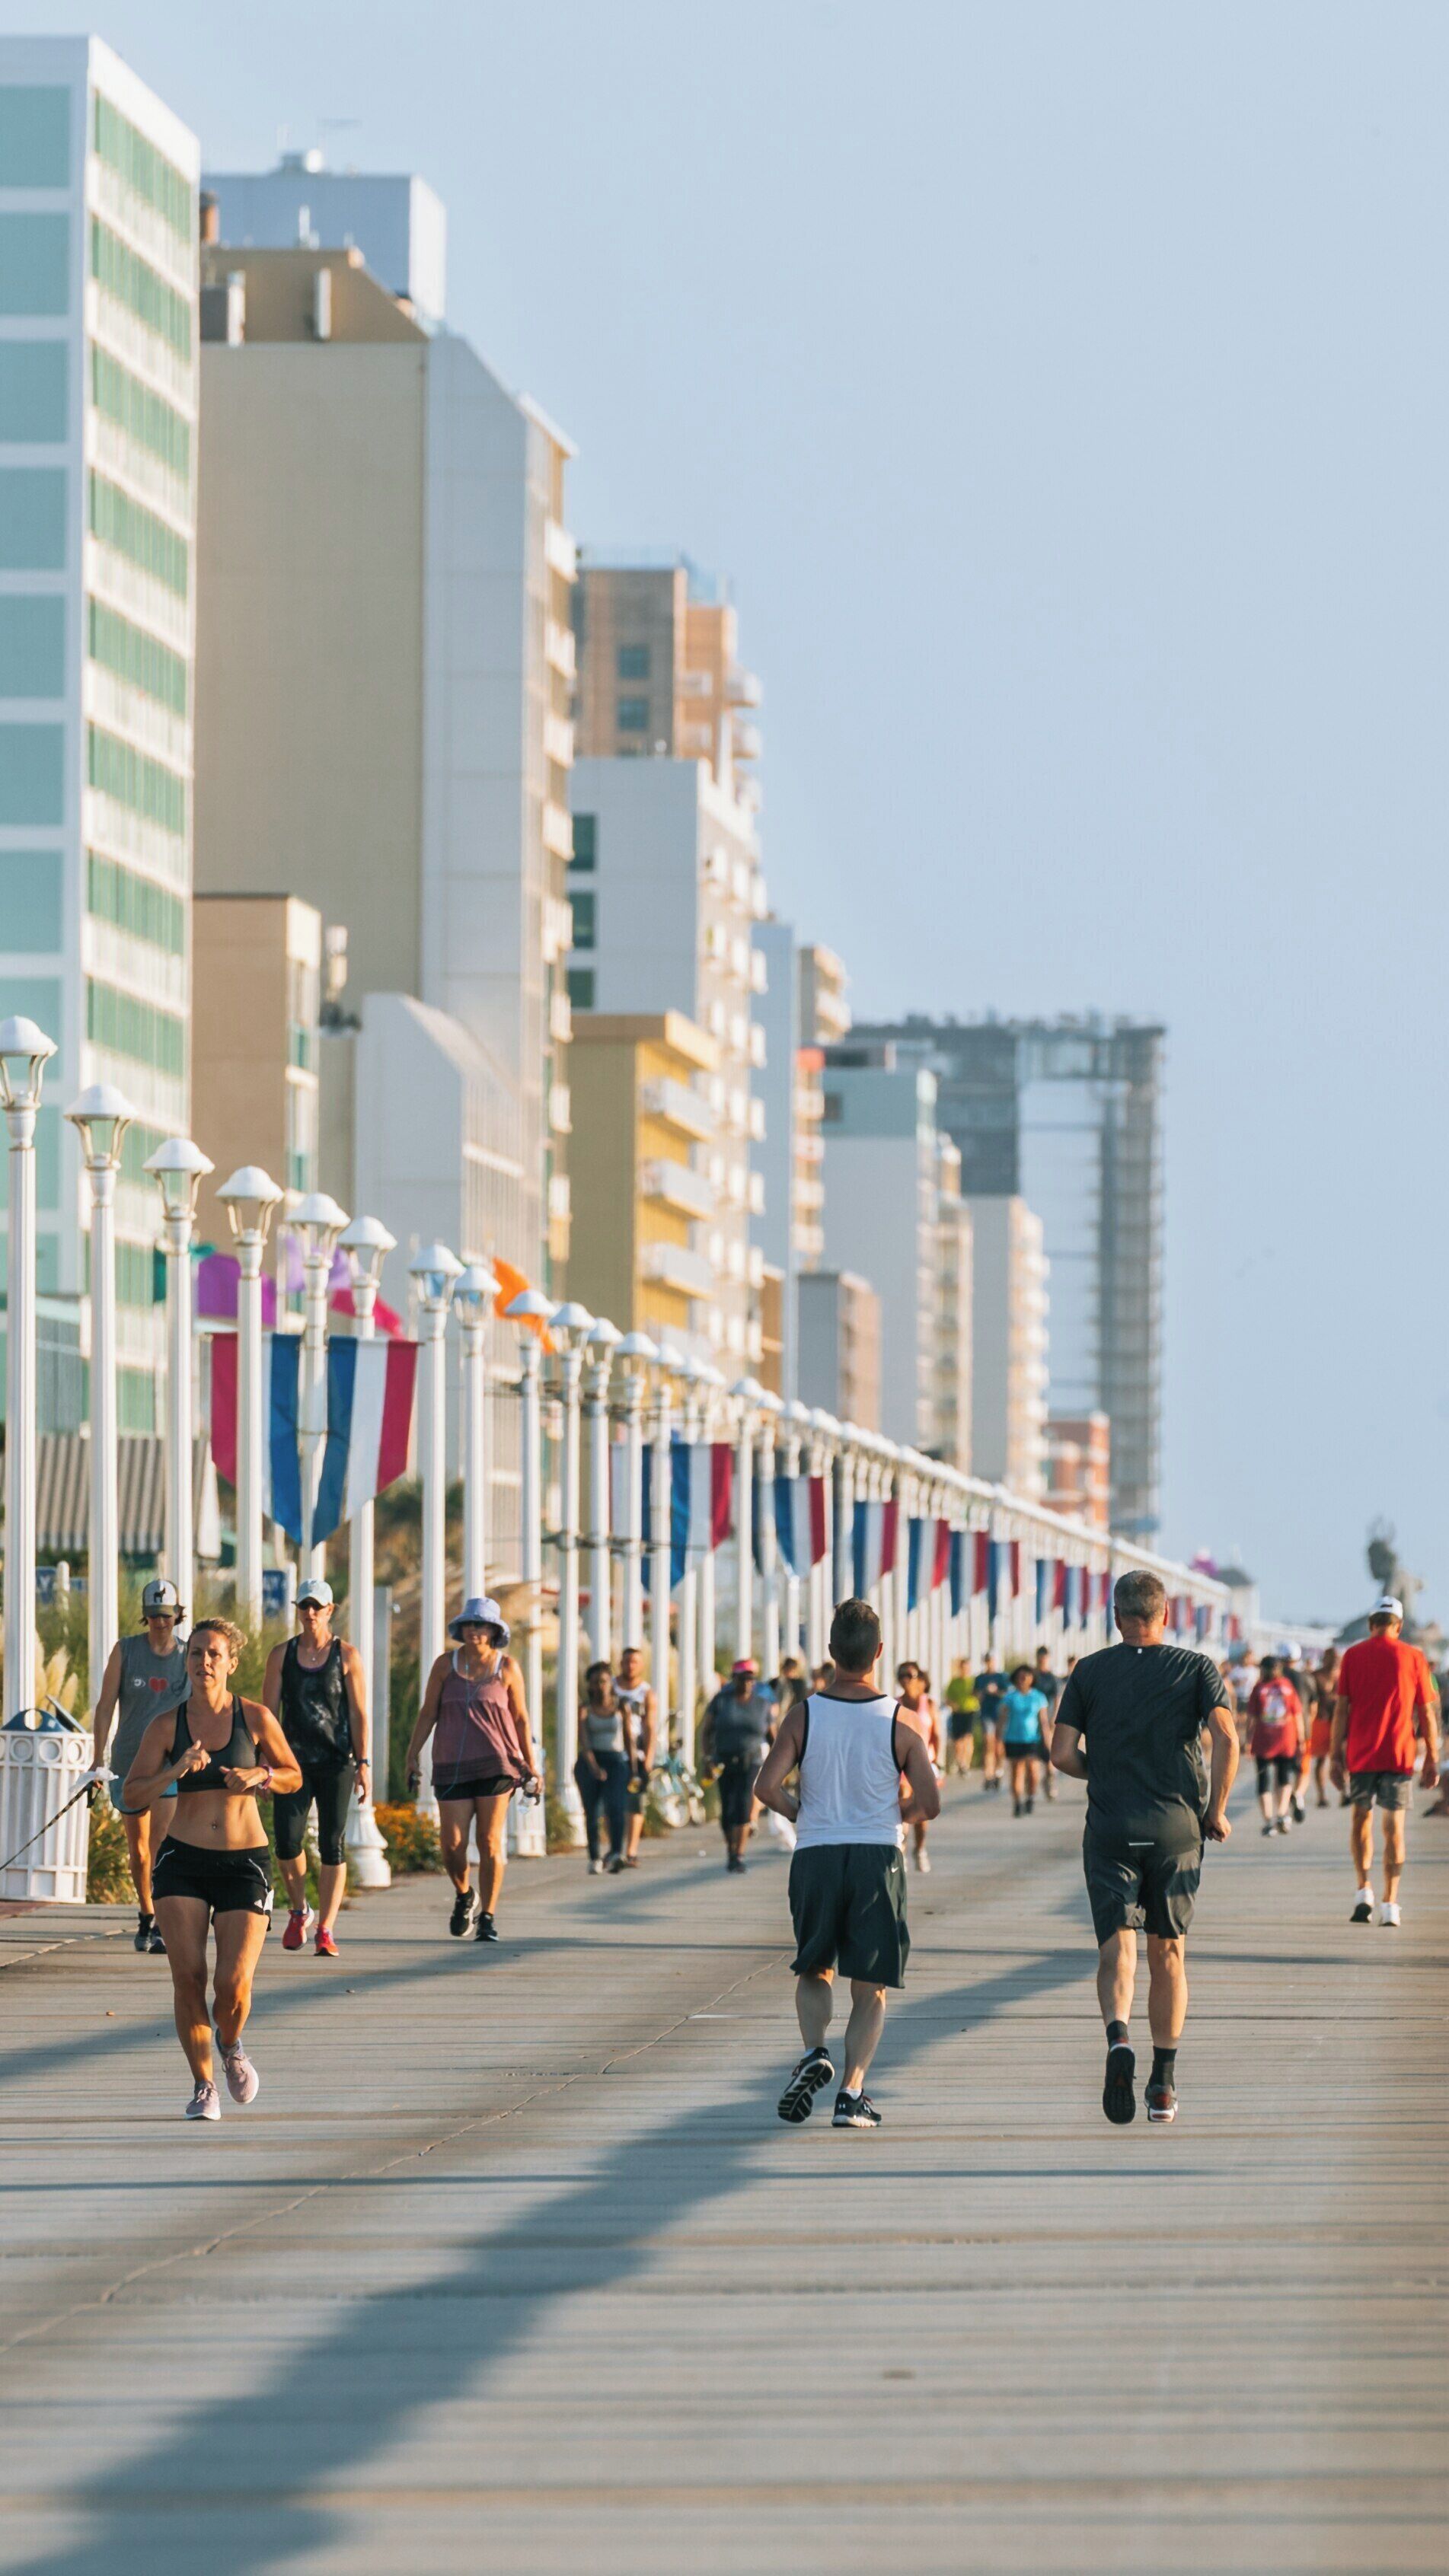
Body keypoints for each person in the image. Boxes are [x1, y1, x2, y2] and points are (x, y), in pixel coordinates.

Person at [1049, 1567, 1239, 2128]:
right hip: (1175, 1829)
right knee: (1169, 1954)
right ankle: (1162, 2083)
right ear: (1165, 1616)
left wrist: (1101, 1773)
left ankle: (1116, 2039)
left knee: (1117, 1950)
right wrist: (1216, 1810)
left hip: (1110, 1827)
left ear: (1115, 1617)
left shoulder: (1088, 1671)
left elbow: (1060, 1754)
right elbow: (1227, 1737)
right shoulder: (1194, 1668)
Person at [756, 1597, 940, 2131]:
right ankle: (851, 2094)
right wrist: (895, 1814)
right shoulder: (902, 1722)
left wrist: (805, 1815)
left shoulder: (802, 1714)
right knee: (870, 1983)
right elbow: (930, 1801)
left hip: (815, 1853)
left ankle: (815, 2051)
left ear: (832, 1652)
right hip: (876, 1855)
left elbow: (765, 1788)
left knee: (814, 1966)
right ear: (878, 1653)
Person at [122, 1618, 301, 2121]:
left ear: (231, 1662)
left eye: (214, 1654)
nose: (204, 1662)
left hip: (245, 1863)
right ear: (187, 1660)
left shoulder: (256, 1718)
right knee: (188, 1976)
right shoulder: (166, 1725)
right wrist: (175, 1771)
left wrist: (260, 1773)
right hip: (183, 1862)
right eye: (197, 1653)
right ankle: (204, 2086)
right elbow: (132, 1794)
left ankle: (231, 2043)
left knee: (233, 1984)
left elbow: (293, 1775)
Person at [408, 1596, 541, 1942]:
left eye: (481, 1625)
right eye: (469, 1624)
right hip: (451, 1764)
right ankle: (465, 1894)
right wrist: (412, 1755)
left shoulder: (507, 1668)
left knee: (489, 1841)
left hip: (498, 1764)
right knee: (451, 1844)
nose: (474, 1631)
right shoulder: (444, 1665)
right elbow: (428, 1713)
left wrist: (532, 1766)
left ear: (494, 1631)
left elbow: (521, 1719)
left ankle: (488, 1917)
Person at [262, 1577, 369, 1959]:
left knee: (331, 1843)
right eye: (304, 1606)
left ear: (330, 1611)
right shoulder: (282, 1655)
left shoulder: (347, 1656)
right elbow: (268, 1714)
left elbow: (357, 1713)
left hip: (336, 1761)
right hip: (291, 1762)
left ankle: (326, 1927)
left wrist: (364, 1762)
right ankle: (299, 1910)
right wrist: (264, 1759)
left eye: (317, 1607)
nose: (310, 1614)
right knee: (288, 1841)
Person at [89, 1577, 188, 1953]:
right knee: (140, 1850)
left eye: (166, 1616)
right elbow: (105, 1706)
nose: (160, 1623)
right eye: (153, 1616)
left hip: (169, 1765)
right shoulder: (125, 1651)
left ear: (177, 1616)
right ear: (145, 1617)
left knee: (162, 1842)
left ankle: (162, 1921)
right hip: (130, 1762)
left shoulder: (187, 1655)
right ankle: (146, 1913)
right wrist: (98, 1761)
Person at [1330, 1596, 1441, 1927]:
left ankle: (1363, 1888)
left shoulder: (1352, 1655)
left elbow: (1341, 1708)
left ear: (1371, 1624)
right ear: (1400, 1626)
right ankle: (1391, 1903)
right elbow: (1426, 1712)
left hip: (1361, 1754)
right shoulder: (1414, 1657)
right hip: (1399, 1754)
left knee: (1360, 1819)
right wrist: (1433, 1757)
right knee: (1394, 1827)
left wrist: (1335, 1755)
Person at [701, 1657, 777, 1871]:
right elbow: (706, 1731)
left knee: (744, 1806)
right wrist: (707, 1758)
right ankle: (731, 1849)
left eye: (751, 1679)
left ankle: (739, 1855)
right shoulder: (721, 1701)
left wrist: (778, 1764)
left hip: (751, 1760)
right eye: (743, 1678)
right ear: (734, 1679)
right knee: (728, 1810)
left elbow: (773, 1737)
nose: (747, 1683)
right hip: (724, 1760)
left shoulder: (762, 1705)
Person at [576, 1661, 633, 1873]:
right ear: (589, 1685)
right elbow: (584, 1741)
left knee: (616, 1807)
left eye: (604, 1682)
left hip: (616, 1760)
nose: (600, 1686)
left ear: (611, 1683)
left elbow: (628, 1738)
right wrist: (593, 1767)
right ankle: (595, 1856)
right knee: (592, 1811)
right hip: (591, 1760)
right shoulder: (585, 1709)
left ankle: (617, 1852)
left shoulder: (621, 1706)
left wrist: (635, 1768)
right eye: (596, 1682)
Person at [1246, 1654, 1303, 1838]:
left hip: (1264, 1739)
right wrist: (1301, 1739)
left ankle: (1268, 1821)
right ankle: (1282, 1814)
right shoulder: (1287, 1686)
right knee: (1284, 1778)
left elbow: (1252, 1718)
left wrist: (1247, 1740)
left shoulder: (1259, 1688)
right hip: (1286, 1737)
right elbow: (1297, 1715)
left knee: (1264, 1781)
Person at [895, 1663, 941, 1870]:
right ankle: (901, 1847)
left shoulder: (928, 1704)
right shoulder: (895, 1704)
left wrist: (936, 1760)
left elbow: (937, 1735)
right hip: (902, 1764)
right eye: (902, 1675)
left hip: (925, 1762)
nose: (906, 1679)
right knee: (902, 1801)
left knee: (923, 1807)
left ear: (920, 1678)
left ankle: (920, 1848)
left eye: (910, 1675)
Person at [614, 1644, 656, 1866]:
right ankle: (615, 1847)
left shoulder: (646, 1692)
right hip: (613, 1751)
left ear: (641, 1666)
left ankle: (631, 1850)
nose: (630, 1666)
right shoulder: (611, 1687)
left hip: (636, 1755)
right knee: (615, 1803)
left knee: (635, 1802)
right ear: (620, 1663)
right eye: (627, 1661)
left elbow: (650, 1726)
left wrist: (648, 1758)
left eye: (635, 1662)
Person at [1000, 1662, 1052, 1815]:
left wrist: (1047, 1741)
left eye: (1026, 1676)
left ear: (1032, 1679)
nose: (1023, 1679)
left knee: (1033, 1771)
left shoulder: (1038, 1697)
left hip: (1032, 1740)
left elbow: (1043, 1721)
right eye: (1020, 1676)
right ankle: (1017, 1802)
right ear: (1015, 1679)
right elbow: (1002, 1719)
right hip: (1013, 1739)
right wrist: (998, 1738)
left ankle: (1030, 1797)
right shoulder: (1010, 1697)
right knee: (1016, 1772)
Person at [1307, 1648, 1340, 1807]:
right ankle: (1322, 1795)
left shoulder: (1341, 1675)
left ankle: (1344, 1792)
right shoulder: (1315, 1676)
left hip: (1339, 1720)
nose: (1334, 1661)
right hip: (1320, 1720)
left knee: (1341, 1757)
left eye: (1336, 1658)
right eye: (1331, 1658)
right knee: (1321, 1759)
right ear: (1324, 1659)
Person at [973, 1651, 1007, 1791]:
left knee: (998, 1745)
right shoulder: (980, 1678)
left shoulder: (1001, 1677)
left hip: (1000, 1714)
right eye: (987, 1661)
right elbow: (975, 1693)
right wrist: (979, 1694)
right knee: (988, 1743)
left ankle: (998, 1771)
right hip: (986, 1714)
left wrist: (995, 1691)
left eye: (991, 1660)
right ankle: (988, 1776)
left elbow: (1007, 1693)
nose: (989, 1663)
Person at [1032, 1647, 1062, 1800]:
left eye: (1044, 1658)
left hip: (1048, 1720)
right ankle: (1032, 1784)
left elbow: (1057, 1699)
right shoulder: (1032, 1677)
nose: (1042, 1661)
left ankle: (1050, 1779)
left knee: (1049, 1751)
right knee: (1034, 1755)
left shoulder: (1052, 1678)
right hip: (1032, 1722)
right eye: (1040, 1658)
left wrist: (1054, 1718)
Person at [943, 1658, 978, 1774]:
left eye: (967, 1667)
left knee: (967, 1737)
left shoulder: (973, 1682)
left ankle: (966, 1763)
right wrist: (953, 1705)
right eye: (963, 1667)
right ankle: (960, 1762)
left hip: (970, 1711)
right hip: (957, 1712)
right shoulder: (954, 1682)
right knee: (957, 1739)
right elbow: (947, 1698)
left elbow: (979, 1695)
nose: (965, 1670)